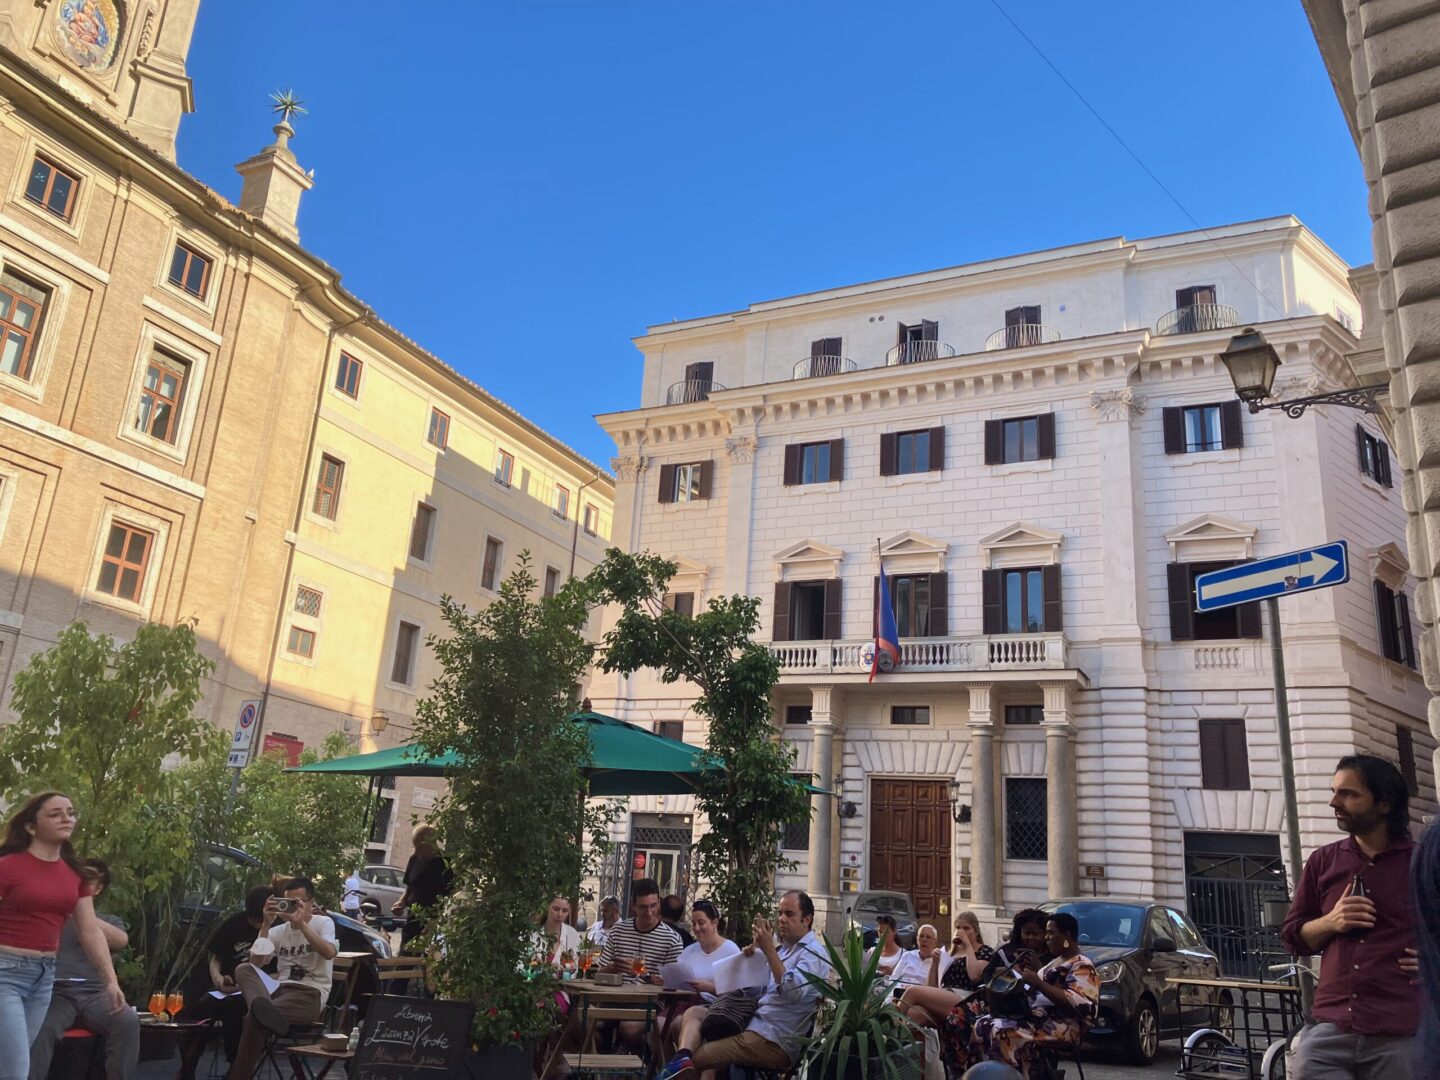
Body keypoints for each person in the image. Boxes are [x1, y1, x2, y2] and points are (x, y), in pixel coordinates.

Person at [1281, 754, 1419, 1078]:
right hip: (1330, 1031)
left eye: (1349, 794)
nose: (1334, 802)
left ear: (1384, 803)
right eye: (1334, 791)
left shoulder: (1423, 863)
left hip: (1401, 1035)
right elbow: (1292, 937)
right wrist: (1331, 921)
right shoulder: (1323, 861)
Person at [0, 792, 123, 1080]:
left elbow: (90, 930)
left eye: (70, 812)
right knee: (16, 1071)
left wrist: (111, 981)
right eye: (55, 813)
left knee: (13, 1064)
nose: (66, 818)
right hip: (5, 973)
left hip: (44, 978)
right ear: (31, 826)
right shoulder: (8, 867)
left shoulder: (74, 874)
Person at [657, 890, 832, 1080]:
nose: (781, 919)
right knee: (694, 1013)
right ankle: (682, 1057)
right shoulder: (786, 949)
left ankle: (679, 1065)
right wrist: (750, 959)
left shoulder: (814, 954)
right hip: (752, 1022)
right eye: (780, 913)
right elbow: (757, 988)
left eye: (789, 914)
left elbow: (791, 992)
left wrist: (769, 951)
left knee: (698, 1058)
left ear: (807, 920)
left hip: (774, 1039)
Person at [27, 860, 137, 1080]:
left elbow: (121, 940)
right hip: (55, 992)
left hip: (94, 993)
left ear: (98, 889)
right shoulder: (51, 913)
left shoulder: (107, 920)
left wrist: (82, 914)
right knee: (39, 1026)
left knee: (127, 1021)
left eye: (87, 880)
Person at [228, 876, 338, 1080]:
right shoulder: (278, 931)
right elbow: (256, 964)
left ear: (311, 903)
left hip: (309, 994)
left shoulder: (324, 923)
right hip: (277, 992)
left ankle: (237, 1076)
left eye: (297, 904)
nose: (292, 909)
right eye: (288, 904)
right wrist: (265, 925)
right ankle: (261, 1008)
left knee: (254, 1020)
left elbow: (329, 952)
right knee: (243, 969)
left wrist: (302, 925)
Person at [962, 913, 1099, 1075]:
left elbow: (1082, 1005)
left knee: (1002, 1031)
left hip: (1063, 1025)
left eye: (1051, 933)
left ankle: (1013, 1077)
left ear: (1066, 936)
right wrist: (1014, 977)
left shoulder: (1082, 965)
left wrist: (1039, 983)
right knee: (982, 1025)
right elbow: (1033, 991)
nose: (1047, 938)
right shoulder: (1055, 962)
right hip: (1035, 1018)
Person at [176, 884, 273, 1071]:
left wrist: (240, 987)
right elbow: (216, 957)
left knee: (233, 1008)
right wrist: (218, 978)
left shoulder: (276, 930)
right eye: (253, 922)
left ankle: (235, 1066)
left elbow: (275, 973)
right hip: (226, 986)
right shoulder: (234, 923)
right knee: (200, 1007)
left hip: (256, 991)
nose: (257, 925)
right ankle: (188, 1065)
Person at [598, 878, 684, 1051]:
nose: (650, 912)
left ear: (659, 903)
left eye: (653, 906)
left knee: (629, 1028)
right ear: (633, 906)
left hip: (649, 1002)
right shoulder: (619, 930)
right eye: (644, 907)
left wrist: (644, 974)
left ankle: (642, 1065)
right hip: (614, 998)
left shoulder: (671, 938)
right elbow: (600, 971)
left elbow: (673, 984)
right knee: (581, 1022)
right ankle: (599, 1067)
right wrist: (613, 968)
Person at [663, 900, 741, 1052]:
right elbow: (677, 976)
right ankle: (668, 1068)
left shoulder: (730, 951)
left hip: (714, 1006)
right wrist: (665, 979)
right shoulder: (690, 950)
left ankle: (682, 1066)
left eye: (701, 923)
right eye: (693, 924)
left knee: (676, 1024)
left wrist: (709, 987)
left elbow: (738, 992)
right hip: (684, 1002)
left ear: (714, 923)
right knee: (657, 1025)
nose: (697, 928)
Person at [900, 910, 996, 1027]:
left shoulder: (984, 951)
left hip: (967, 1000)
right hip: (944, 996)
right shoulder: (950, 953)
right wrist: (935, 963)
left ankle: (888, 1029)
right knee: (914, 1013)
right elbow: (931, 987)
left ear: (976, 932)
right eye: (958, 928)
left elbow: (975, 975)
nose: (961, 932)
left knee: (912, 991)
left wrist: (968, 945)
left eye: (966, 928)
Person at [394, 824, 453, 951]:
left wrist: (436, 922)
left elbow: (452, 897)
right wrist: (401, 902)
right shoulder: (414, 859)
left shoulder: (447, 863)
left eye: (419, 847)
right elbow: (409, 888)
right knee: (404, 961)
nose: (416, 851)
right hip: (412, 923)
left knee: (429, 966)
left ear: (430, 844)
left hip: (434, 927)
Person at [891, 923, 942, 987]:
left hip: (922, 994)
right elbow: (894, 978)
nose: (924, 939)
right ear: (917, 940)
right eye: (921, 936)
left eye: (928, 937)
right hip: (900, 991)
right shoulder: (907, 955)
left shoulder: (937, 961)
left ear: (935, 942)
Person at [536, 895, 582, 966]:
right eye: (556, 909)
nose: (560, 914)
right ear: (548, 907)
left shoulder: (572, 934)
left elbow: (576, 966)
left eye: (565, 911)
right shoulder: (533, 933)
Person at [864, 913, 905, 984]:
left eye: (886, 932)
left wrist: (891, 972)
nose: (882, 935)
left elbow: (904, 977)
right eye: (880, 932)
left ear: (894, 931)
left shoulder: (903, 954)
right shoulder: (872, 951)